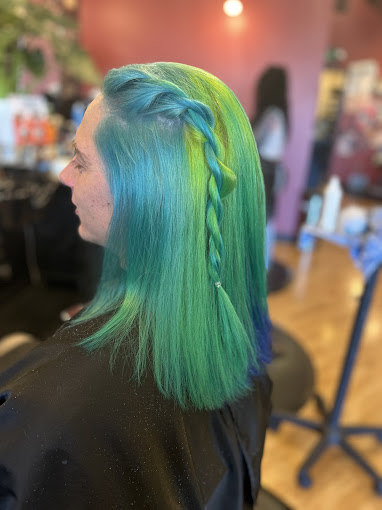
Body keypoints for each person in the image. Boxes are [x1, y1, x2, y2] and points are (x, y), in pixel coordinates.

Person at [0, 63, 272, 509]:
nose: (65, 175)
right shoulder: (241, 326)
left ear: (145, 194)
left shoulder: (54, 410)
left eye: (81, 160)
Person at [251, 66, 289, 265]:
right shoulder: (281, 114)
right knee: (267, 217)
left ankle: (261, 263)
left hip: (264, 171)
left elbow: (254, 141)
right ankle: (264, 262)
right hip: (272, 170)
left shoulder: (271, 115)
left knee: (261, 217)